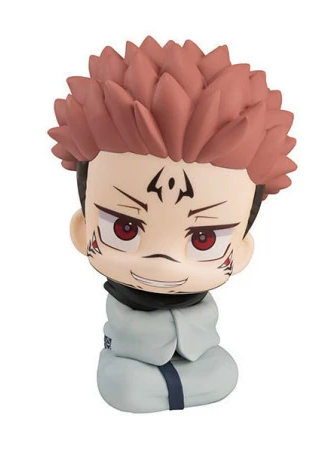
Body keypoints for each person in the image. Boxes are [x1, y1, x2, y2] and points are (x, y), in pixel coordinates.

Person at [48, 36, 296, 413]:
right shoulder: (125, 313)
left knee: (223, 373)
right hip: (128, 360)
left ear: (243, 250)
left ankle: (168, 389)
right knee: (125, 385)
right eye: (125, 228)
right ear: (82, 230)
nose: (163, 263)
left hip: (201, 358)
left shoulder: (202, 311)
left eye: (203, 239)